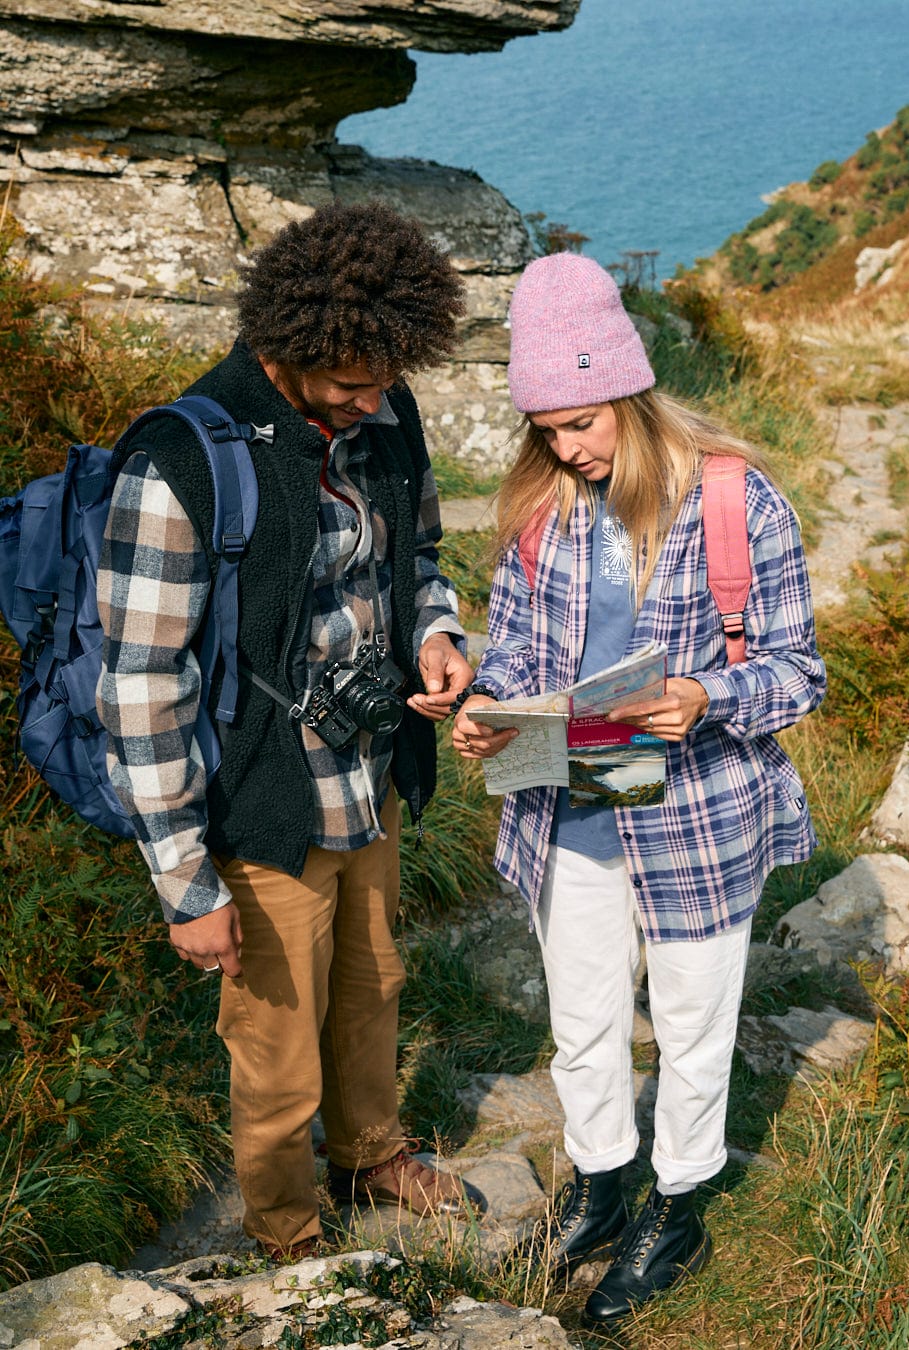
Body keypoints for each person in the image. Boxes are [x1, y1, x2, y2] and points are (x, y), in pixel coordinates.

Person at [97, 201, 477, 1258]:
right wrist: (183, 882)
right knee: (272, 1032)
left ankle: (370, 1152)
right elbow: (140, 687)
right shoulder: (180, 460)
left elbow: (424, 563)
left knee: (373, 981)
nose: (372, 401)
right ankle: (288, 1230)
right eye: (351, 383)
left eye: (387, 380)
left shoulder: (386, 413)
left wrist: (439, 636)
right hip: (258, 799)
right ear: (287, 346)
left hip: (368, 773)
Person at [451, 253, 826, 1323]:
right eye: (549, 430)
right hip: (567, 795)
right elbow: (516, 654)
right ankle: (604, 1179)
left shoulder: (735, 499)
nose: (569, 449)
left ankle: (680, 1205)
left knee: (697, 1026)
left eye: (583, 423)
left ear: (627, 390)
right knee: (582, 1019)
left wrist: (707, 694)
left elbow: (800, 670)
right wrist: (490, 714)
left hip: (697, 813)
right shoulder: (541, 507)